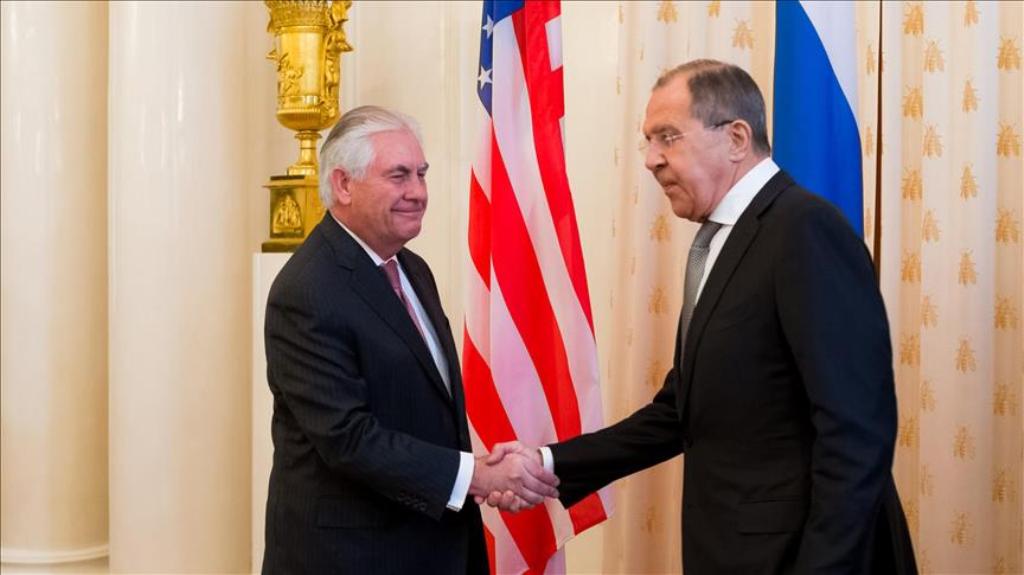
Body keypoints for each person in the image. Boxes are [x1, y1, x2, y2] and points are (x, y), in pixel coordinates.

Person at [487, 60, 917, 573]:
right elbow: (680, 411)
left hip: (801, 558)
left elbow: (856, 431)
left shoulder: (804, 230)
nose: (650, 160)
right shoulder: (719, 242)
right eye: (648, 140)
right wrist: (548, 463)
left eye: (668, 137)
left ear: (737, 137)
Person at [262, 105, 558, 574]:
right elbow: (348, 438)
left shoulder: (411, 269)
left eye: (421, 174)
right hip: (353, 558)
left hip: (432, 541)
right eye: (399, 176)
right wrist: (476, 476)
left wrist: (472, 473)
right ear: (343, 184)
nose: (418, 193)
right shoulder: (307, 290)